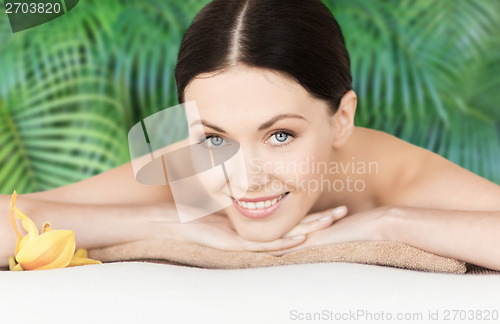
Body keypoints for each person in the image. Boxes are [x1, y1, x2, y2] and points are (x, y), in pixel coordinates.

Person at [2, 0, 500, 270]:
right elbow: (13, 219)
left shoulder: (393, 173)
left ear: (341, 119)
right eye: (215, 137)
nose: (246, 180)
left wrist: (390, 224)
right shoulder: (191, 171)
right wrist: (171, 223)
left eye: (280, 135)